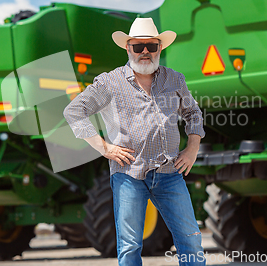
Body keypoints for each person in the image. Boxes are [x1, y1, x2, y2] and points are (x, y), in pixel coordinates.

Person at [63, 17, 206, 266]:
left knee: (191, 239)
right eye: (138, 47)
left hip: (170, 173)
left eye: (151, 46)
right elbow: (74, 111)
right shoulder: (110, 82)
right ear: (128, 48)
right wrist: (103, 147)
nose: (145, 52)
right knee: (129, 247)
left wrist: (192, 148)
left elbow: (193, 113)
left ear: (160, 48)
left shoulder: (175, 79)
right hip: (129, 175)